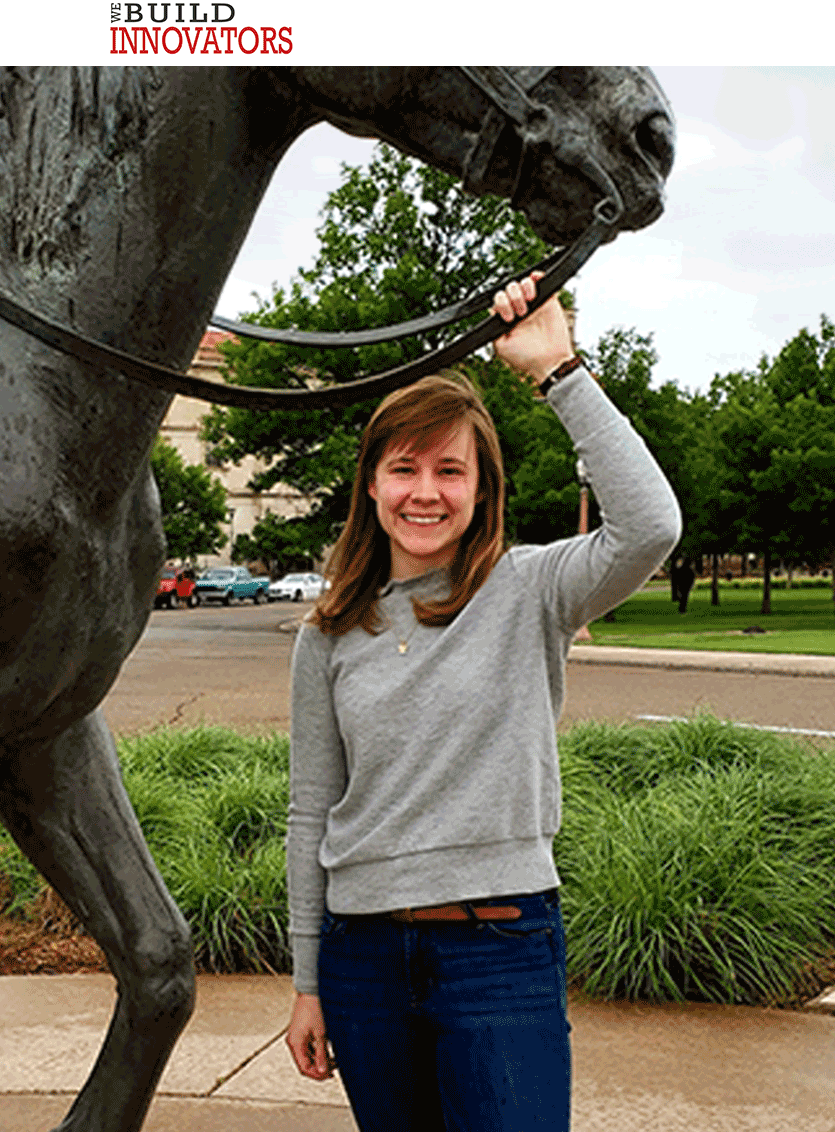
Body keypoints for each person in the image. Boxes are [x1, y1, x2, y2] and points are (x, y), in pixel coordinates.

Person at [283, 272, 681, 1131]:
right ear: (373, 484)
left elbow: (651, 526)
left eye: (449, 469)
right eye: (404, 468)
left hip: (499, 950)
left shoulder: (531, 587)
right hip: (363, 963)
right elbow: (310, 815)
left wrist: (557, 371)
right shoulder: (327, 634)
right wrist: (309, 983)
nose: (425, 491)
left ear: (480, 484)